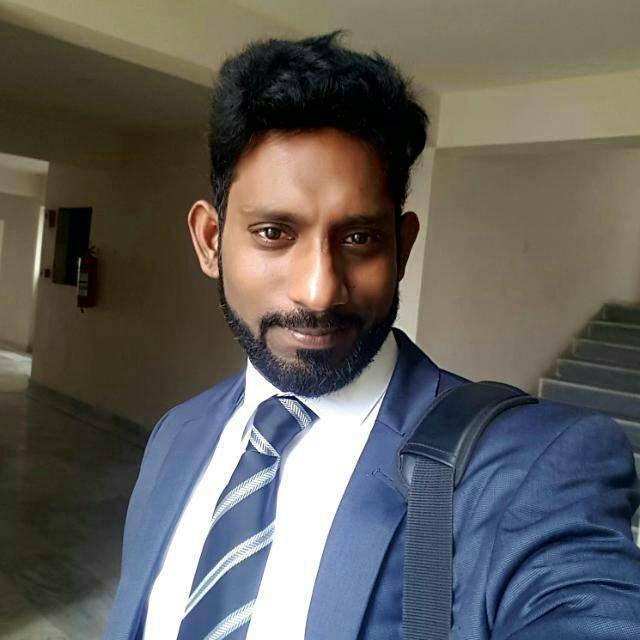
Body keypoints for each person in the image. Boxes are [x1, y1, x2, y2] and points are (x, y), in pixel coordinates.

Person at [104, 33, 640, 640]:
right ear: (210, 242)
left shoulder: (530, 466)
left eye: (359, 239)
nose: (319, 291)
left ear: (402, 248)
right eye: (275, 233)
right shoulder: (177, 435)